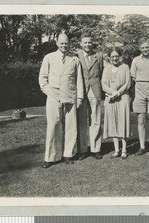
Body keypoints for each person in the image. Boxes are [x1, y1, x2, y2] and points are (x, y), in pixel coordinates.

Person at [39, 32, 84, 168]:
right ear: (57, 43)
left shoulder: (75, 59)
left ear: (69, 44)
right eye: (62, 43)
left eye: (66, 43)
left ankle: (68, 154)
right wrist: (51, 93)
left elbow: (79, 81)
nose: (64, 45)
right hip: (54, 96)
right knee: (53, 126)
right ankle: (49, 158)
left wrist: (80, 97)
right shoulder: (49, 58)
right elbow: (42, 80)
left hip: (70, 96)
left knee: (71, 127)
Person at [76, 32, 104, 160]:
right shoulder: (76, 56)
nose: (87, 44)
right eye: (85, 42)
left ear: (92, 43)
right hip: (81, 91)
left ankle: (95, 149)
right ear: (81, 44)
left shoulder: (98, 56)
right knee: (81, 121)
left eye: (89, 42)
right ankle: (82, 150)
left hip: (95, 90)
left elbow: (101, 72)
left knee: (96, 120)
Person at [102, 47, 131, 159]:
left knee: (122, 121)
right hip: (110, 97)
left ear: (120, 57)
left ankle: (124, 149)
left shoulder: (125, 67)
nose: (114, 58)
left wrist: (118, 93)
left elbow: (128, 83)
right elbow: (104, 84)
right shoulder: (106, 68)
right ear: (109, 57)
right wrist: (112, 92)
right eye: (112, 56)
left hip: (122, 97)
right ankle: (116, 149)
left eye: (116, 56)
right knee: (112, 122)